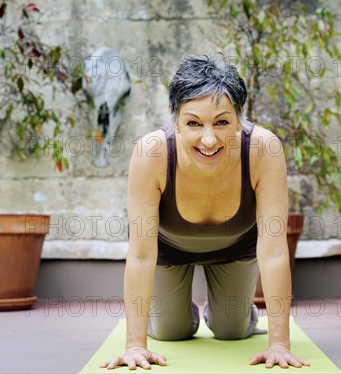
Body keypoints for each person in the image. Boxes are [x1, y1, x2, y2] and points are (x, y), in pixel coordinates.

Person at [100, 54, 310, 370]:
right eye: (194, 123)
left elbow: (274, 251)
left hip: (237, 248)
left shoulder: (263, 150)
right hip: (168, 250)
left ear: (240, 119)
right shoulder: (151, 153)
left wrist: (279, 344)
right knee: (171, 333)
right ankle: (181, 312)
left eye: (222, 122)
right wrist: (134, 346)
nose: (209, 139)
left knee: (233, 332)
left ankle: (226, 311)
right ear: (176, 122)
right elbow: (142, 255)